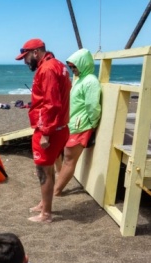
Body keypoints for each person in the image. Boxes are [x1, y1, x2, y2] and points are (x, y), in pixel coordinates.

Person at [15, 38, 71, 223]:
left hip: (49, 129)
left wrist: (45, 132)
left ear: (36, 52)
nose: (25, 61)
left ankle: (46, 214)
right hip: (60, 126)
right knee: (48, 169)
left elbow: (51, 103)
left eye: (26, 57)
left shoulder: (46, 69)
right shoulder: (58, 65)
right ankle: (43, 203)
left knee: (43, 170)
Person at [54, 48, 102, 196]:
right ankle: (58, 181)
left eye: (75, 66)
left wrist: (93, 124)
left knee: (69, 160)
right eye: (70, 66)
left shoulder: (91, 81)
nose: (72, 69)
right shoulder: (80, 79)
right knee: (59, 153)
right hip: (71, 124)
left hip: (80, 126)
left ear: (83, 64)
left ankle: (56, 191)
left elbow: (92, 106)